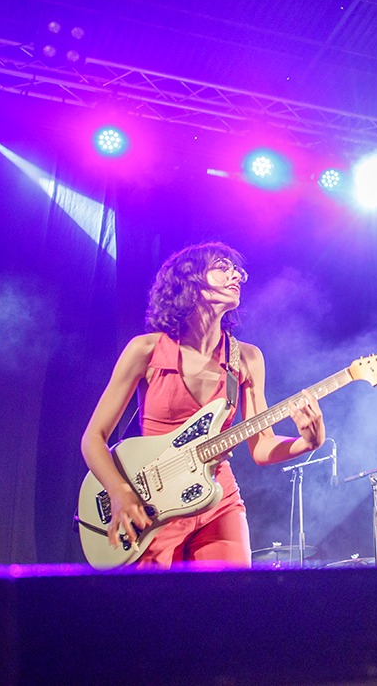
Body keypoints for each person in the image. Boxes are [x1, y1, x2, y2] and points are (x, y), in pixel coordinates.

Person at [80, 242, 325, 567]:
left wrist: (307, 442)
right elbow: (93, 438)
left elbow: (261, 446)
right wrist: (119, 492)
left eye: (237, 270)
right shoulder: (146, 350)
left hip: (216, 499)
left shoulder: (247, 359)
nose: (236, 275)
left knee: (233, 596)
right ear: (190, 279)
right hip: (152, 506)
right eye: (223, 267)